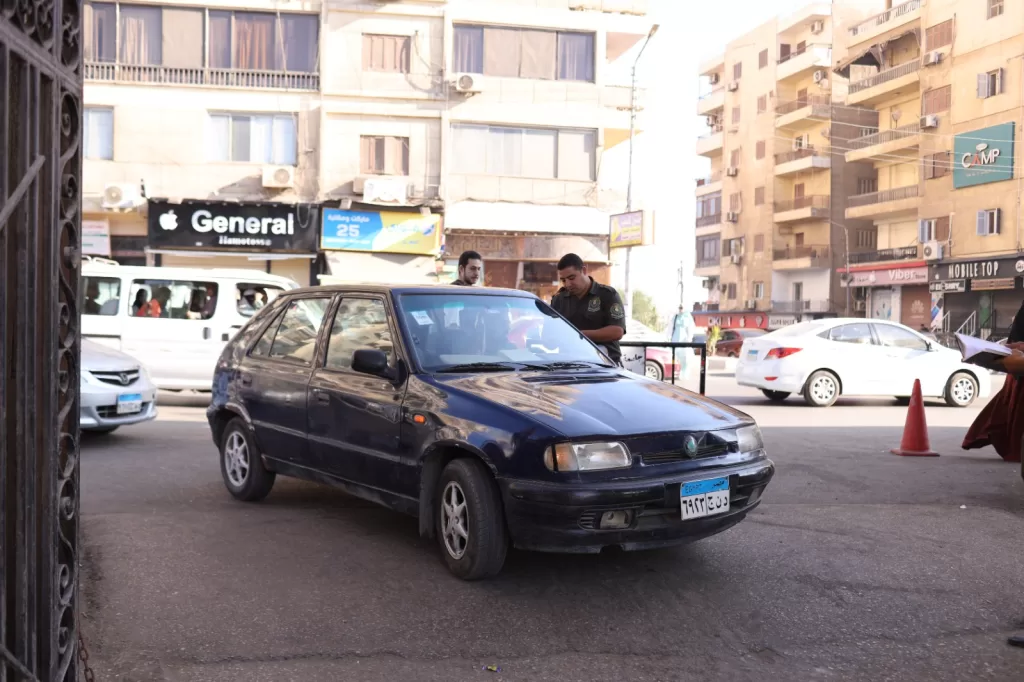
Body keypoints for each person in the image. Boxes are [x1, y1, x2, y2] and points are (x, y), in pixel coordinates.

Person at [549, 253, 626, 365]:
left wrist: (578, 334)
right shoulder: (559, 299)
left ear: (584, 270)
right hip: (569, 364)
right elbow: (552, 333)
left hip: (604, 365)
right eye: (563, 280)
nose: (568, 284)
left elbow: (617, 331)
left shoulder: (607, 295)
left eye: (572, 278)